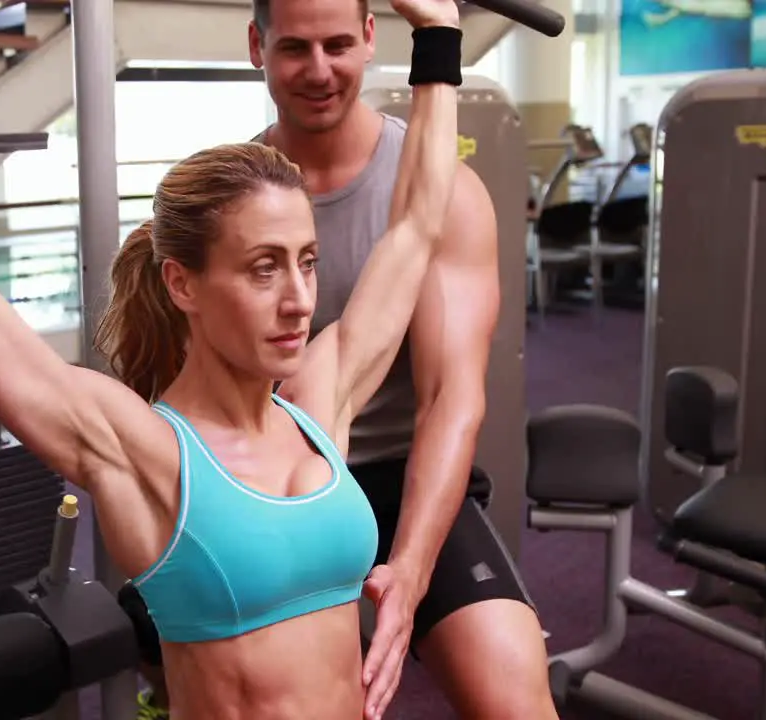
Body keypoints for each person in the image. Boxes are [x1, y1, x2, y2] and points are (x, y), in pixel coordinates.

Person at [0, 0, 459, 715]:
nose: (299, 300)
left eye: (307, 263)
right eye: (264, 268)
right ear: (183, 283)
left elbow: (417, 225)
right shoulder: (143, 450)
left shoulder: (318, 409)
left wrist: (439, 38)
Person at [134, 1, 559, 718]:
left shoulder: (441, 192)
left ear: (369, 39)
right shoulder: (232, 198)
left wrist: (412, 572)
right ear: (256, 47)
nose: (320, 70)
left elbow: (450, 397)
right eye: (295, 48)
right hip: (266, 482)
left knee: (515, 699)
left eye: (338, 44)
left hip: (401, 479)